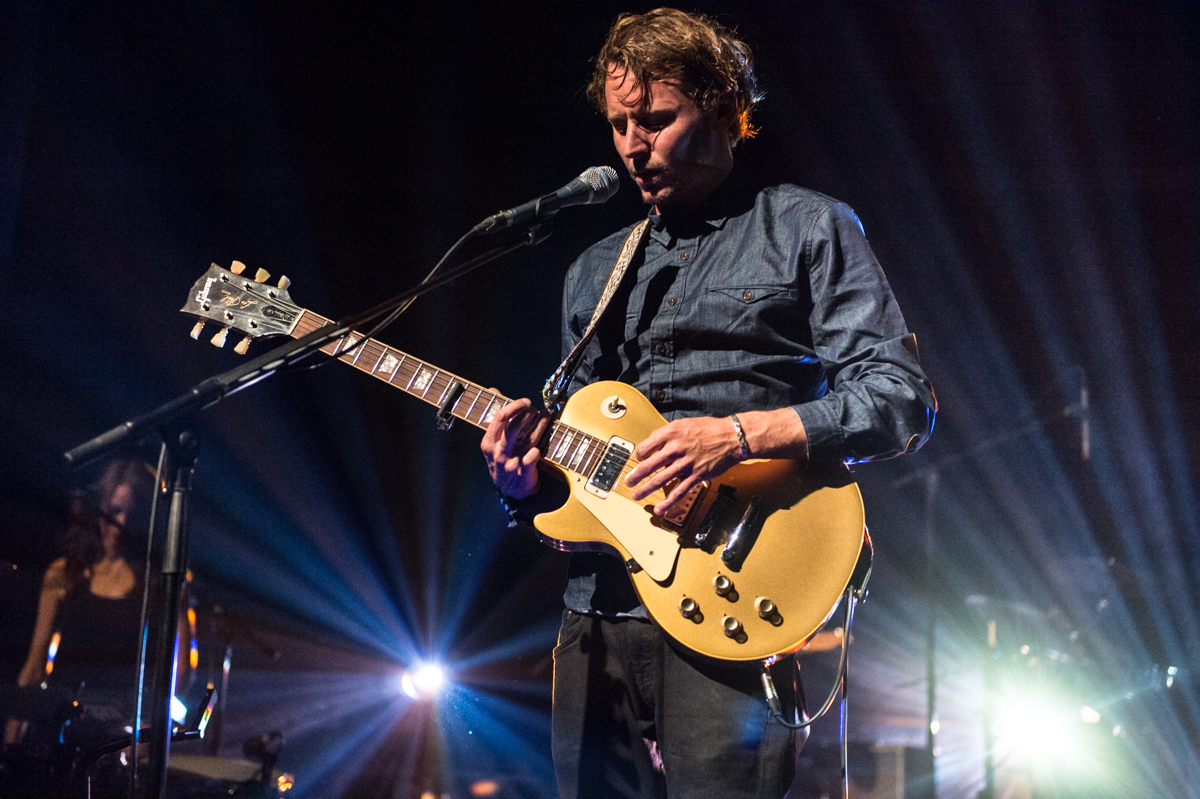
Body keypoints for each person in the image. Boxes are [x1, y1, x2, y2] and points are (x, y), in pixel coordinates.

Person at [481, 9, 936, 798]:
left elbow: (900, 400)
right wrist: (521, 487)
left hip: (734, 608)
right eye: (619, 123)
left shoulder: (807, 227)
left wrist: (736, 434)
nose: (632, 144)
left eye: (656, 119)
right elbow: (577, 471)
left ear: (726, 108)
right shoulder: (594, 272)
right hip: (597, 615)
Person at [4, 459, 156, 749]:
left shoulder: (155, 583)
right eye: (114, 512)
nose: (120, 524)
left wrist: (146, 737)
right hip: (60, 729)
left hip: (119, 740)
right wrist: (13, 730)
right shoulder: (65, 572)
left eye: (131, 514)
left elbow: (179, 675)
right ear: (99, 511)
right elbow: (35, 663)